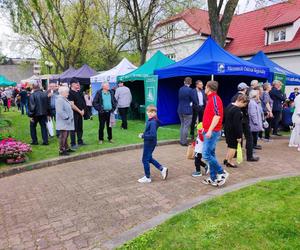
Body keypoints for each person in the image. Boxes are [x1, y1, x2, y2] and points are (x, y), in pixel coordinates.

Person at [201, 80, 229, 187]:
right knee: (211, 154)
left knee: (206, 155)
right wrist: (204, 127)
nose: (204, 88)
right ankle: (213, 178)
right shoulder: (211, 99)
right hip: (209, 131)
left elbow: (217, 116)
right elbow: (210, 115)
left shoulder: (215, 99)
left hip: (212, 132)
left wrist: (209, 130)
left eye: (205, 87)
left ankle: (222, 172)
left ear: (208, 88)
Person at [137, 105, 168, 183]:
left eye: (152, 112)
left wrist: (143, 136)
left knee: (145, 160)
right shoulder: (151, 120)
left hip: (150, 142)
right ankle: (162, 169)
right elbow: (149, 132)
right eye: (148, 112)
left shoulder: (153, 122)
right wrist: (144, 133)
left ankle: (147, 177)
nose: (150, 113)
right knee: (149, 158)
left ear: (155, 113)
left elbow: (152, 135)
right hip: (149, 142)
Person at [231, 82, 259, 162]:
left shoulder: (233, 97)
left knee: (238, 136)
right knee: (249, 138)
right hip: (244, 120)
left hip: (236, 120)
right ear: (245, 89)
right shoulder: (245, 97)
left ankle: (235, 153)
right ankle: (249, 156)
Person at [224, 94, 249, 168]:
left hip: (227, 129)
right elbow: (237, 125)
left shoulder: (229, 106)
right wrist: (239, 136)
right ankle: (229, 162)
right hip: (233, 132)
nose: (244, 106)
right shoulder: (237, 110)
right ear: (241, 101)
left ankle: (226, 159)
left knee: (229, 145)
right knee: (233, 147)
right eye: (244, 104)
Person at [55, 86, 75, 156]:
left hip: (66, 121)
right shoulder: (60, 100)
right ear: (62, 92)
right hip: (63, 121)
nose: (68, 93)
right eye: (67, 92)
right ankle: (61, 150)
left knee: (66, 136)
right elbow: (60, 111)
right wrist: (66, 117)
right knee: (63, 136)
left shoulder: (64, 99)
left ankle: (66, 148)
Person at [177, 77, 197, 146]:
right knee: (186, 126)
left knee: (182, 125)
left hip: (180, 109)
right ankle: (184, 142)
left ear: (184, 82)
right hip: (188, 111)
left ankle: (181, 140)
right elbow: (194, 100)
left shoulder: (180, 89)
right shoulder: (190, 90)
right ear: (191, 82)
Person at [68, 78, 86, 149]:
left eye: (78, 84)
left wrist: (83, 110)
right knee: (73, 129)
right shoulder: (70, 93)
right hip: (73, 114)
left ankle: (80, 141)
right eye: (76, 84)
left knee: (80, 128)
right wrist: (79, 111)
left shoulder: (79, 92)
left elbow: (82, 102)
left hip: (80, 113)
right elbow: (72, 105)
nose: (78, 85)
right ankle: (73, 143)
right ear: (72, 84)